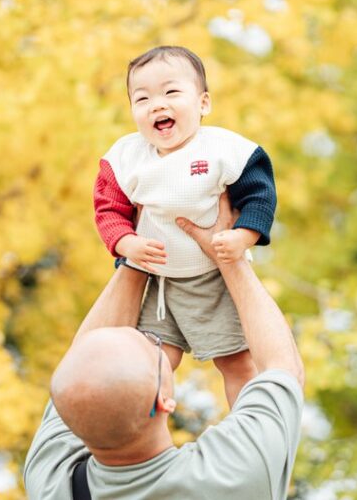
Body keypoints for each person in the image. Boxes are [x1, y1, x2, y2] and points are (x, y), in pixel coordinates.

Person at [23, 193, 304, 499]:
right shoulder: (233, 475)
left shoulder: (54, 484)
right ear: (164, 400)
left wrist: (140, 251)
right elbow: (281, 369)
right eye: (153, 346)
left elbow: (84, 373)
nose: (153, 336)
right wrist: (229, 258)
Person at [93, 46, 277, 405]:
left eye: (171, 92)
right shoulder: (126, 158)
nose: (157, 105)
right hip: (159, 282)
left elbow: (260, 195)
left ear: (203, 103)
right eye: (142, 98)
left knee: (238, 362)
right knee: (151, 360)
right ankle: (152, 422)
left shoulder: (223, 150)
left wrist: (243, 236)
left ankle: (244, 427)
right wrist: (126, 243)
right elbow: (108, 209)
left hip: (214, 277)